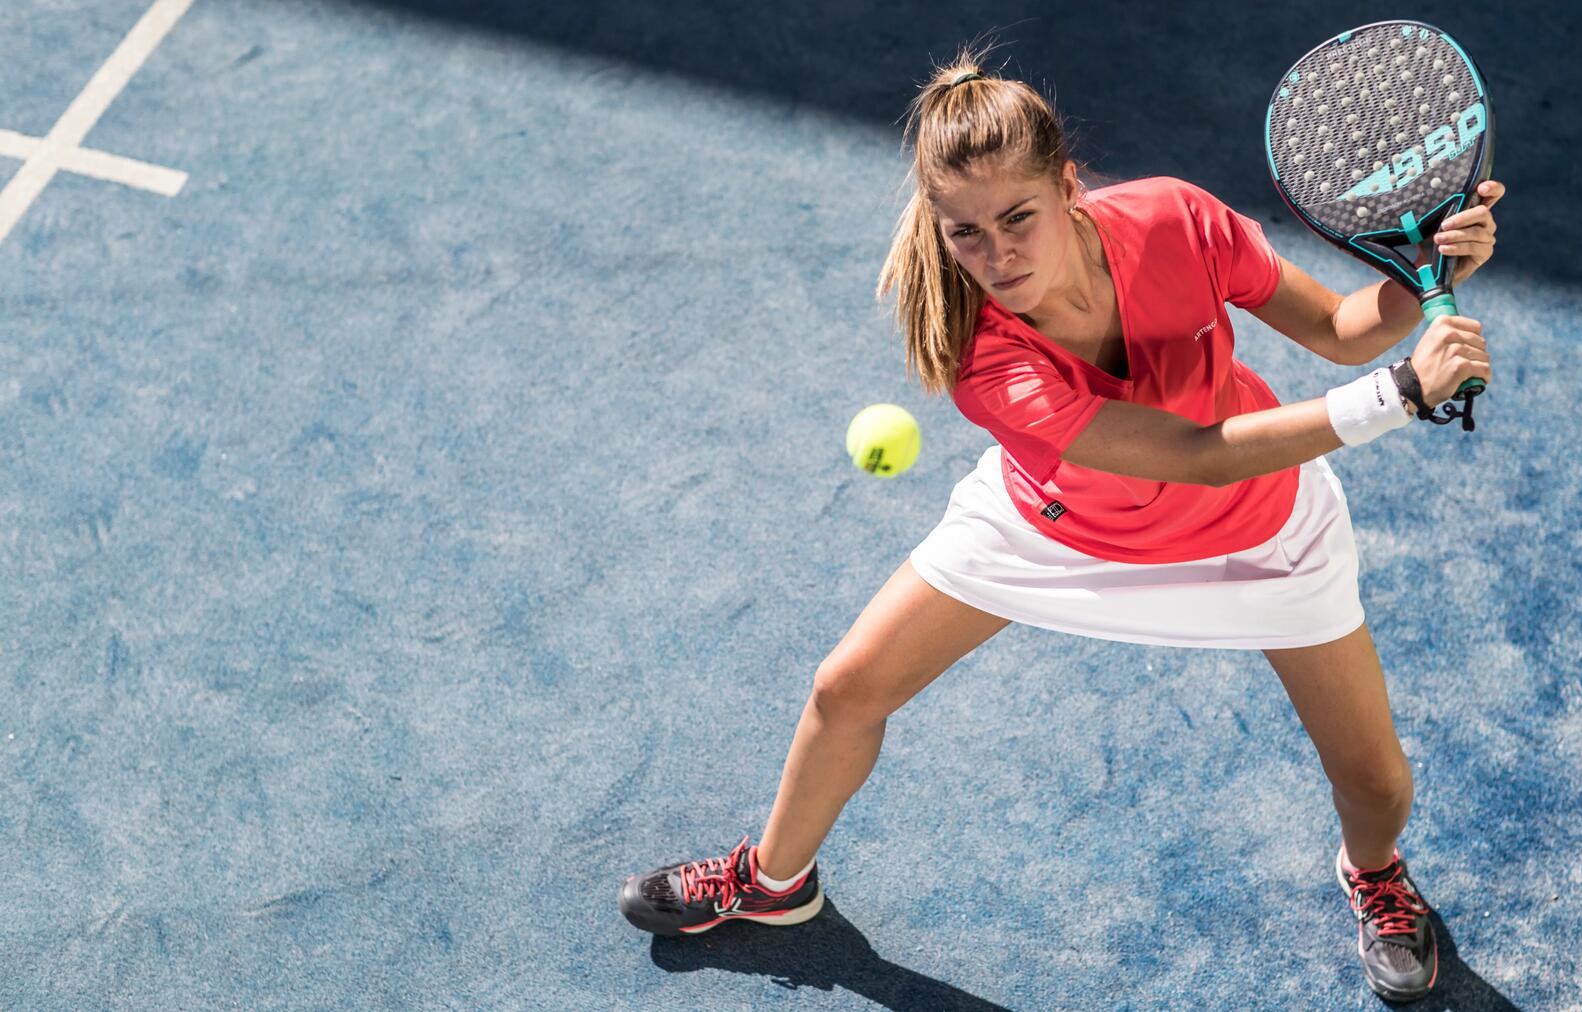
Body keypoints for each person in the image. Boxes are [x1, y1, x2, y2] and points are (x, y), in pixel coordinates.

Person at [619, 50, 1503, 1004]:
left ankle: (1373, 874)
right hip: (1059, 530)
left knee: (1375, 784)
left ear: (1070, 188)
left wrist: (1424, 280)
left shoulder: (1176, 218)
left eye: (1016, 220)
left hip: (1260, 529)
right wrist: (1399, 394)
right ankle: (773, 884)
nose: (996, 260)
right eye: (965, 235)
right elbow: (1196, 448)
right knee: (846, 688)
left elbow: (1338, 327)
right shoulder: (980, 356)